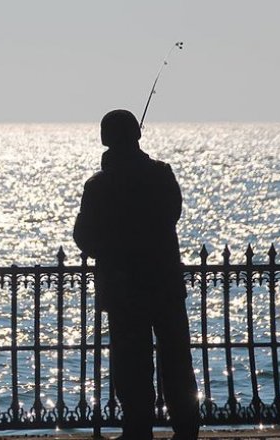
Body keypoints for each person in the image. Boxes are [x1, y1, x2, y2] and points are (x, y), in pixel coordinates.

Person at [73, 110, 199, 440]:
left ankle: (137, 428)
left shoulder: (98, 186)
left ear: (105, 139)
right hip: (165, 282)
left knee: (131, 362)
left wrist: (111, 247)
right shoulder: (161, 174)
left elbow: (84, 237)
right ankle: (186, 426)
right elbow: (173, 213)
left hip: (122, 285)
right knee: (175, 357)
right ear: (137, 136)